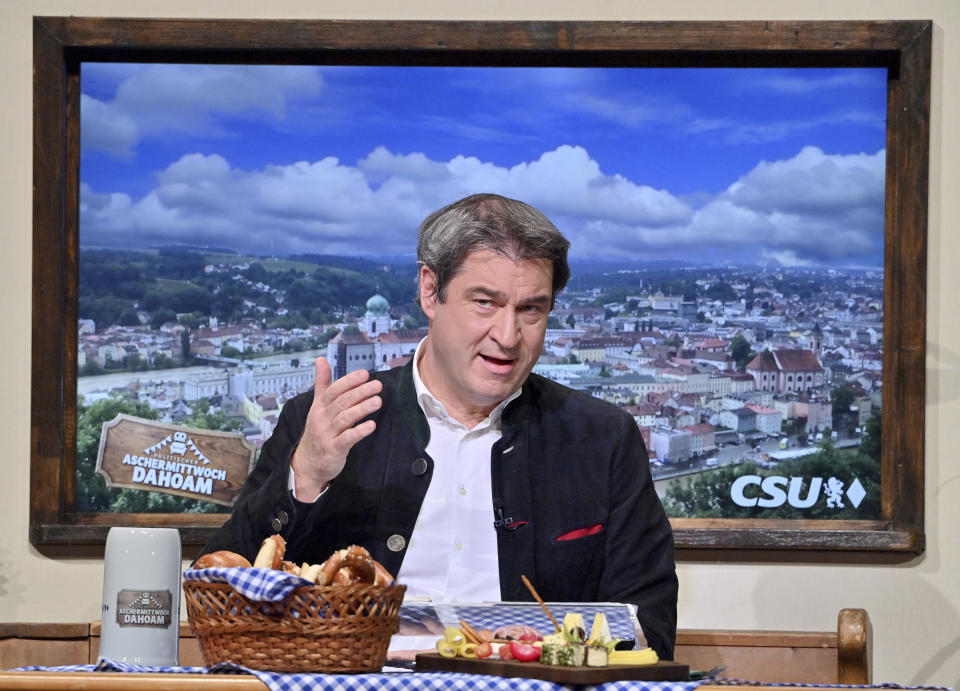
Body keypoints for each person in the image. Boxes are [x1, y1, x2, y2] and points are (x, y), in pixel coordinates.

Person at [198, 193, 679, 659]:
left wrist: (540, 646)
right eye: (485, 303)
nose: (508, 337)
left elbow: (649, 628)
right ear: (431, 291)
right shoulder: (322, 417)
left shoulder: (604, 438)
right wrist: (304, 479)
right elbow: (219, 593)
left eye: (530, 308)